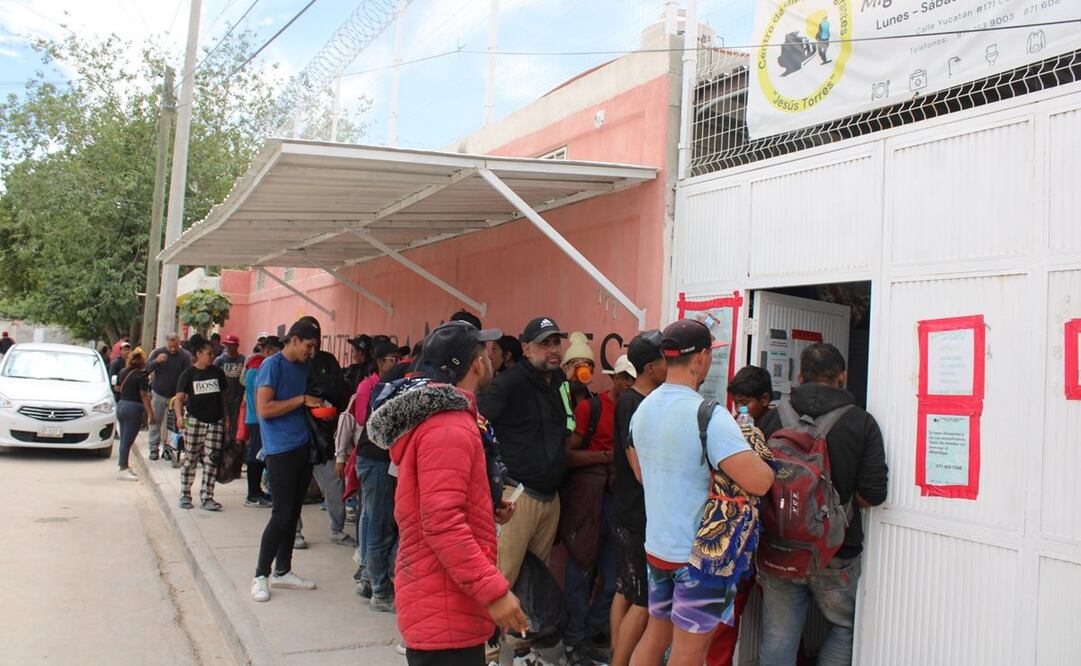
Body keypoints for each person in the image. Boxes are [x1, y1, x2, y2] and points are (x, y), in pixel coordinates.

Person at [367, 320, 528, 666]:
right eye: (484, 351)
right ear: (475, 364)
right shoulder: (449, 427)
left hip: (446, 605)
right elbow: (441, 523)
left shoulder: (449, 419)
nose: (490, 357)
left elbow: (439, 500)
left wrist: (483, 504)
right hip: (444, 610)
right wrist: (495, 591)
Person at [629, 319, 775, 666]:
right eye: (711, 352)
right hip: (699, 558)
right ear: (701, 358)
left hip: (658, 548)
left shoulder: (643, 407)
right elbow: (761, 482)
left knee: (655, 635)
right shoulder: (710, 415)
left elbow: (641, 474)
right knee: (690, 652)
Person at [756, 343, 888, 666]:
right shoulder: (862, 423)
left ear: (800, 376)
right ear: (842, 377)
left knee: (778, 636)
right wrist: (833, 512)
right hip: (835, 550)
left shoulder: (773, 418)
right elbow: (874, 493)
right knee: (845, 628)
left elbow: (754, 481)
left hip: (779, 545)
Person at [478, 316, 570, 666]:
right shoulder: (509, 384)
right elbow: (478, 426)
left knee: (534, 581)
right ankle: (485, 652)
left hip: (549, 498)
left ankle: (521, 650)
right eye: (545, 344)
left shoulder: (557, 380)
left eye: (555, 343)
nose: (553, 350)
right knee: (501, 578)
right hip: (516, 495)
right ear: (527, 347)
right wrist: (493, 481)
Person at [561, 354, 636, 666]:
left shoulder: (637, 409)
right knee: (580, 572)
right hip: (589, 499)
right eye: (623, 377)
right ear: (614, 377)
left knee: (615, 578)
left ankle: (589, 634)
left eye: (632, 378)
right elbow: (568, 455)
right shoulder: (590, 408)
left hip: (619, 501)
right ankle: (574, 641)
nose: (627, 384)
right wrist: (605, 457)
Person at [706, 364, 776, 666]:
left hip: (762, 537)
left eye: (746, 402)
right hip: (745, 537)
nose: (740, 408)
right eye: (736, 402)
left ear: (766, 398)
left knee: (778, 620)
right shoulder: (733, 429)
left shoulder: (775, 431)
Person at [250, 320, 324, 603]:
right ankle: (260, 575)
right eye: (308, 346)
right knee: (280, 514)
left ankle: (283, 570)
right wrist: (302, 399)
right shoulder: (272, 365)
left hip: (303, 446)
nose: (312, 352)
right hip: (279, 450)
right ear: (294, 340)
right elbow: (264, 409)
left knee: (293, 513)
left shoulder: (305, 368)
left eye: (315, 347)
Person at [609, 331, 667, 666]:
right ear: (649, 367)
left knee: (625, 589)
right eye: (663, 359)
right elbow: (640, 468)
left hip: (629, 509)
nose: (668, 365)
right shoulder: (635, 404)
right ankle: (620, 659)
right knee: (643, 598)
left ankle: (618, 653)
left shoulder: (637, 400)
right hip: (636, 512)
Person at [353, 338, 405, 612]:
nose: (396, 364)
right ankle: (381, 593)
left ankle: (370, 581)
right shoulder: (388, 387)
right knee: (378, 526)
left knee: (377, 523)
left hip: (378, 462)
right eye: (391, 359)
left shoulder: (393, 383)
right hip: (375, 462)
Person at [297, 316, 355, 549]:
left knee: (333, 482)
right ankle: (295, 533)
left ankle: (337, 529)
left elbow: (341, 391)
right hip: (297, 433)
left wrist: (333, 410)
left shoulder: (328, 361)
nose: (312, 348)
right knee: (295, 487)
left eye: (315, 342)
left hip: (322, 433)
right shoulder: (290, 364)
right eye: (308, 343)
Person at [174, 335, 230, 512]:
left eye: (213, 353)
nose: (212, 356)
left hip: (215, 421)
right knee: (190, 457)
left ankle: (207, 496)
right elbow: (180, 398)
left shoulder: (217, 372)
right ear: (198, 354)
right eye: (208, 353)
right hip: (194, 420)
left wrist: (227, 419)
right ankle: (185, 493)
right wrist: (179, 417)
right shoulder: (188, 374)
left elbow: (224, 397)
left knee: (212, 459)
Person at [242, 336, 281, 508]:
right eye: (276, 350)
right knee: (256, 456)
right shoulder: (258, 369)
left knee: (258, 454)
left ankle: (257, 491)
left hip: (257, 417)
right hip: (258, 418)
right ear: (268, 350)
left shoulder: (256, 367)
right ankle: (253, 494)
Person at [147, 333, 193, 460]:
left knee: (174, 424)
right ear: (167, 344)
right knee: (155, 421)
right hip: (159, 393)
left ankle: (169, 447)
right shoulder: (158, 353)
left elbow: (188, 374)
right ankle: (153, 448)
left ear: (179, 344)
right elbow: (147, 368)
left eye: (175, 346)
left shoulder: (185, 356)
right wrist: (156, 361)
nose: (173, 349)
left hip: (176, 396)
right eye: (170, 347)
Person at [115, 347, 153, 481]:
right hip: (133, 408)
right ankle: (123, 468)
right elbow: (144, 395)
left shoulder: (123, 372)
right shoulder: (141, 375)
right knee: (127, 440)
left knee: (123, 439)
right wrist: (150, 413)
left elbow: (118, 387)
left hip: (121, 404)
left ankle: (123, 464)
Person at [214, 334, 246, 447]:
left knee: (234, 427)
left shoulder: (243, 360)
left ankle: (232, 452)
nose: (228, 347)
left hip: (237, 399)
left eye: (231, 345)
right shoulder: (220, 360)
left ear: (237, 346)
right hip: (221, 400)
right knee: (220, 427)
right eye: (226, 345)